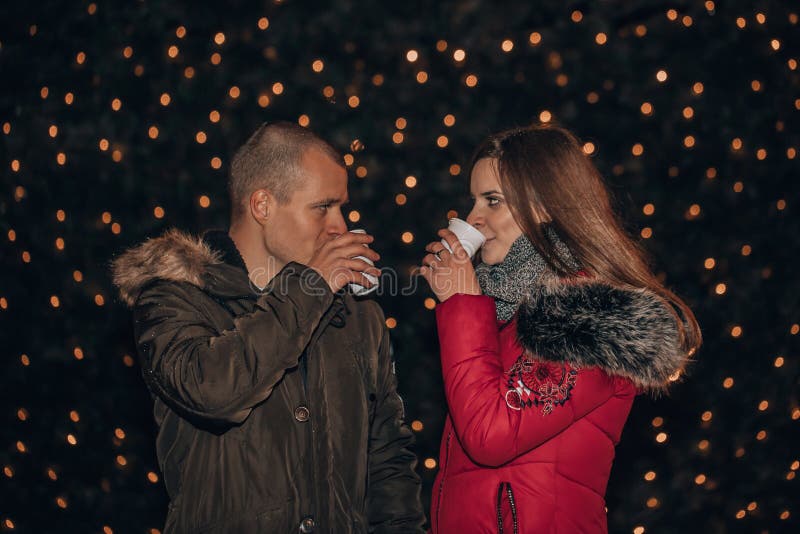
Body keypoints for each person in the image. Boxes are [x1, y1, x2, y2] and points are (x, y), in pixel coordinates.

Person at [112, 122, 425, 533]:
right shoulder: (175, 298)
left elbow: (386, 460)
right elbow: (214, 392)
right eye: (323, 207)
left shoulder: (356, 315)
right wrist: (311, 288)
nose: (340, 227)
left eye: (342, 208)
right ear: (262, 205)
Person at [419, 124, 701, 533]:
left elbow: (490, 436)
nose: (473, 219)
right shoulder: (501, 310)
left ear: (545, 206)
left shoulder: (588, 314)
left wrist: (463, 303)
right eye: (473, 201)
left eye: (493, 201)